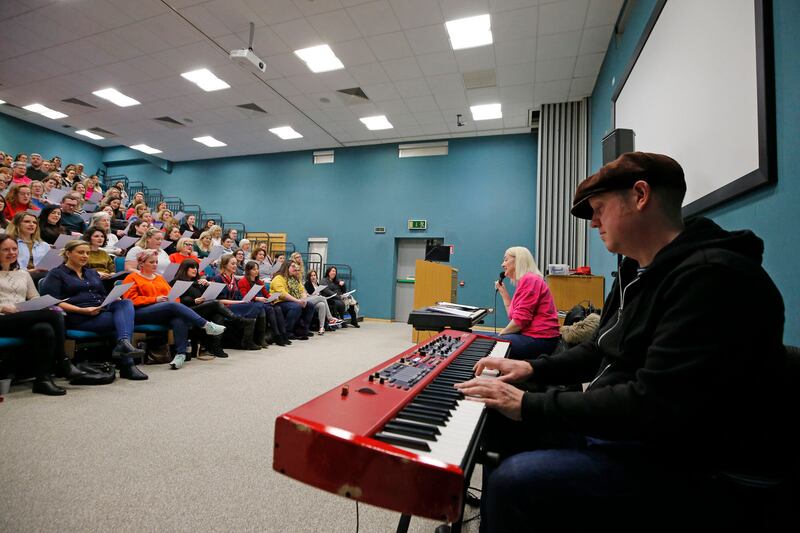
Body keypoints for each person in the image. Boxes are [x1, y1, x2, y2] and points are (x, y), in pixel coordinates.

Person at [456, 152, 789, 532]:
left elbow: (653, 404)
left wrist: (531, 404)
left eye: (599, 208)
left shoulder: (714, 278)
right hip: (634, 432)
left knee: (515, 481)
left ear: (640, 195)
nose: (594, 222)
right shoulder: (636, 270)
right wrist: (532, 367)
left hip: (696, 467)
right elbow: (600, 347)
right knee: (496, 421)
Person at [40, 240, 149, 381]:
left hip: (100, 309)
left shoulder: (92, 273)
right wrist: (82, 310)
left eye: (87, 253)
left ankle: (124, 346)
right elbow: (52, 302)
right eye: (81, 252)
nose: (85, 256)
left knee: (125, 303)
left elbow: (102, 295)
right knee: (121, 323)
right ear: (68, 253)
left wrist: (113, 299)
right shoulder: (56, 274)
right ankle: (127, 365)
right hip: (78, 315)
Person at [0, 236, 83, 395]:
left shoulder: (23, 274)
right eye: (5, 249)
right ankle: (63, 361)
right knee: (53, 316)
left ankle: (43, 380)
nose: (11, 253)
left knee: (44, 328)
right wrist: (4, 307)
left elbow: (34, 297)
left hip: (19, 318)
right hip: (2, 318)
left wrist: (37, 304)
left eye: (14, 249)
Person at [122, 249, 226, 369]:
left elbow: (174, 296)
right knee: (171, 306)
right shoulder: (132, 277)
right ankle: (206, 325)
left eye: (156, 262)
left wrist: (169, 300)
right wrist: (155, 299)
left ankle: (180, 354)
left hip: (161, 311)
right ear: (141, 264)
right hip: (141, 312)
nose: (155, 264)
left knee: (179, 318)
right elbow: (129, 301)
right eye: (151, 262)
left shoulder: (159, 278)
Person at [487, 246, 560, 358]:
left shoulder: (530, 280)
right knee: (491, 340)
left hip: (542, 339)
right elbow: (514, 317)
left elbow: (519, 321)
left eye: (506, 260)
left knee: (492, 343)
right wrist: (504, 293)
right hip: (537, 337)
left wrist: (501, 334)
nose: (502, 264)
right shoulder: (527, 280)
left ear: (518, 261)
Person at [171, 258, 249, 358]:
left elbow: (208, 295)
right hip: (187, 310)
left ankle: (216, 347)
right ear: (184, 269)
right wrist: (194, 301)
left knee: (218, 315)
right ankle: (236, 319)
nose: (195, 269)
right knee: (215, 303)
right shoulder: (176, 282)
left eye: (196, 267)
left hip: (200, 309)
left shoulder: (198, 282)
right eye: (192, 267)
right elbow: (177, 301)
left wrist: (208, 285)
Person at [211, 254, 267, 349]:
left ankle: (252, 339)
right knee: (256, 306)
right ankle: (248, 340)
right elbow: (217, 300)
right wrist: (239, 302)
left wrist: (241, 301)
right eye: (232, 264)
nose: (235, 266)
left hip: (233, 304)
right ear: (224, 265)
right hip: (224, 307)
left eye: (236, 264)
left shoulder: (233, 278)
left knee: (258, 306)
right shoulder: (218, 278)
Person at [238, 260, 290, 346]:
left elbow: (266, 294)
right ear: (248, 271)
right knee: (270, 309)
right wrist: (257, 298)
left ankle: (283, 334)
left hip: (261, 301)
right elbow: (244, 296)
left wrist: (273, 298)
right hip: (251, 302)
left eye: (257, 269)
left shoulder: (259, 282)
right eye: (254, 269)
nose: (256, 271)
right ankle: (277, 335)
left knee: (277, 308)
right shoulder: (243, 281)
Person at [270, 260, 315, 340]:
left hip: (293, 301)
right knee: (295, 306)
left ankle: (302, 329)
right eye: (293, 266)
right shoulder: (278, 278)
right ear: (286, 267)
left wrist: (304, 300)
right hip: (280, 302)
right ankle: (287, 331)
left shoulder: (294, 279)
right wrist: (297, 301)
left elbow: (302, 290)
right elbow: (282, 294)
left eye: (295, 266)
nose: (295, 268)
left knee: (310, 305)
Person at [304, 269, 343, 333]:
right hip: (309, 300)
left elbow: (319, 294)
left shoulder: (317, 284)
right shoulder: (307, 283)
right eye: (311, 276)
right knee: (323, 298)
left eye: (314, 275)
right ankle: (330, 318)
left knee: (322, 304)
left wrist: (318, 294)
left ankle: (321, 327)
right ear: (309, 277)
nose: (313, 277)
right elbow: (307, 294)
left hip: (316, 302)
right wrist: (314, 294)